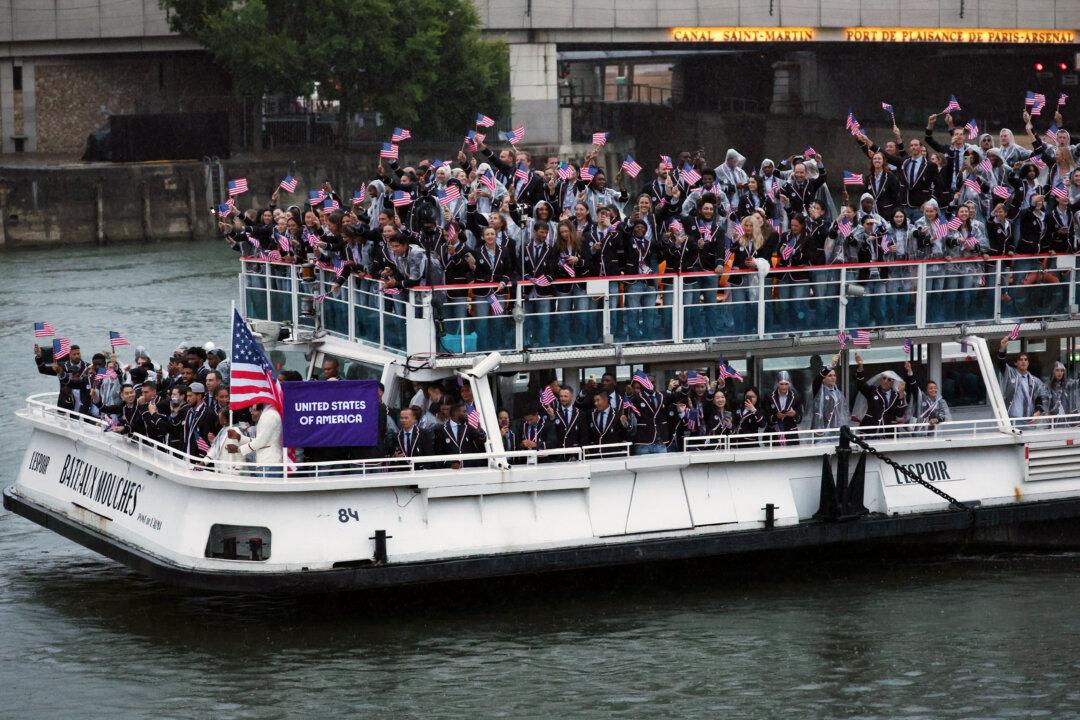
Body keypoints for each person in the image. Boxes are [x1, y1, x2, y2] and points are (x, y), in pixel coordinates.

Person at [995, 334, 1047, 423]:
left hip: (1029, 420)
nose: (1023, 361)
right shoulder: (1010, 373)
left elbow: (1040, 398)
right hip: (1011, 420)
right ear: (1015, 363)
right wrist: (1002, 348)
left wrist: (1037, 412)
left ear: (1028, 363)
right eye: (1020, 359)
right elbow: (1001, 362)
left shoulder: (1035, 381)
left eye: (1026, 359)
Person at [853, 354, 908, 432]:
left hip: (888, 431)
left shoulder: (897, 395)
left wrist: (901, 394)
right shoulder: (872, 391)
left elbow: (900, 414)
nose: (885, 381)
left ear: (893, 382)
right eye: (884, 378)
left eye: (889, 380)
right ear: (880, 379)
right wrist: (860, 367)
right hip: (870, 429)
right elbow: (860, 384)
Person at [225, 402, 283, 477]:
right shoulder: (269, 413)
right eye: (251, 409)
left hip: (269, 465)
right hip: (268, 464)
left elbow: (259, 443)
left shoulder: (269, 415)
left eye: (254, 410)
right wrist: (239, 437)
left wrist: (238, 449)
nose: (251, 412)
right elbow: (260, 442)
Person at [34, 342, 92, 415]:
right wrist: (39, 356)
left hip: (83, 403)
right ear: (69, 355)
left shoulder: (88, 367)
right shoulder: (62, 367)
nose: (77, 356)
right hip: (66, 403)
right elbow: (43, 370)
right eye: (74, 354)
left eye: (78, 353)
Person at [902, 361, 952, 434]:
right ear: (926, 390)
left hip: (935, 433)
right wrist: (910, 371)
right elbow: (914, 387)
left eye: (935, 388)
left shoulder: (941, 401)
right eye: (931, 388)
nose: (933, 390)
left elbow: (947, 416)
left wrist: (937, 419)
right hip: (919, 432)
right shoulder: (921, 398)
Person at [436, 403, 487, 469]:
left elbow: (483, 440)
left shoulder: (469, 426)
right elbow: (439, 451)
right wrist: (450, 464)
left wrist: (479, 430)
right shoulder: (441, 429)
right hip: (451, 471)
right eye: (464, 411)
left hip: (470, 468)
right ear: (455, 413)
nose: (467, 414)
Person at [809, 354, 848, 440]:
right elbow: (817, 379)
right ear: (823, 379)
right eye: (829, 376)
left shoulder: (839, 393)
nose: (833, 378)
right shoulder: (818, 390)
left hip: (836, 430)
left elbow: (843, 413)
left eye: (834, 375)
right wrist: (830, 366)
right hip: (820, 429)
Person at [544, 387, 586, 458]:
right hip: (558, 455)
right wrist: (552, 418)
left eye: (565, 396)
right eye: (561, 396)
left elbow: (584, 436)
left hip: (575, 454)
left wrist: (578, 453)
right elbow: (549, 433)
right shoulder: (553, 413)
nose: (563, 399)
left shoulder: (580, 414)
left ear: (571, 397)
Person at [766, 370, 803, 445]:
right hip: (774, 434)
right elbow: (766, 416)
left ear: (789, 384)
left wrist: (794, 414)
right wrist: (776, 416)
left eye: (786, 384)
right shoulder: (769, 396)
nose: (784, 387)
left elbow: (800, 418)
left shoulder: (796, 396)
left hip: (791, 434)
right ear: (777, 383)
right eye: (781, 384)